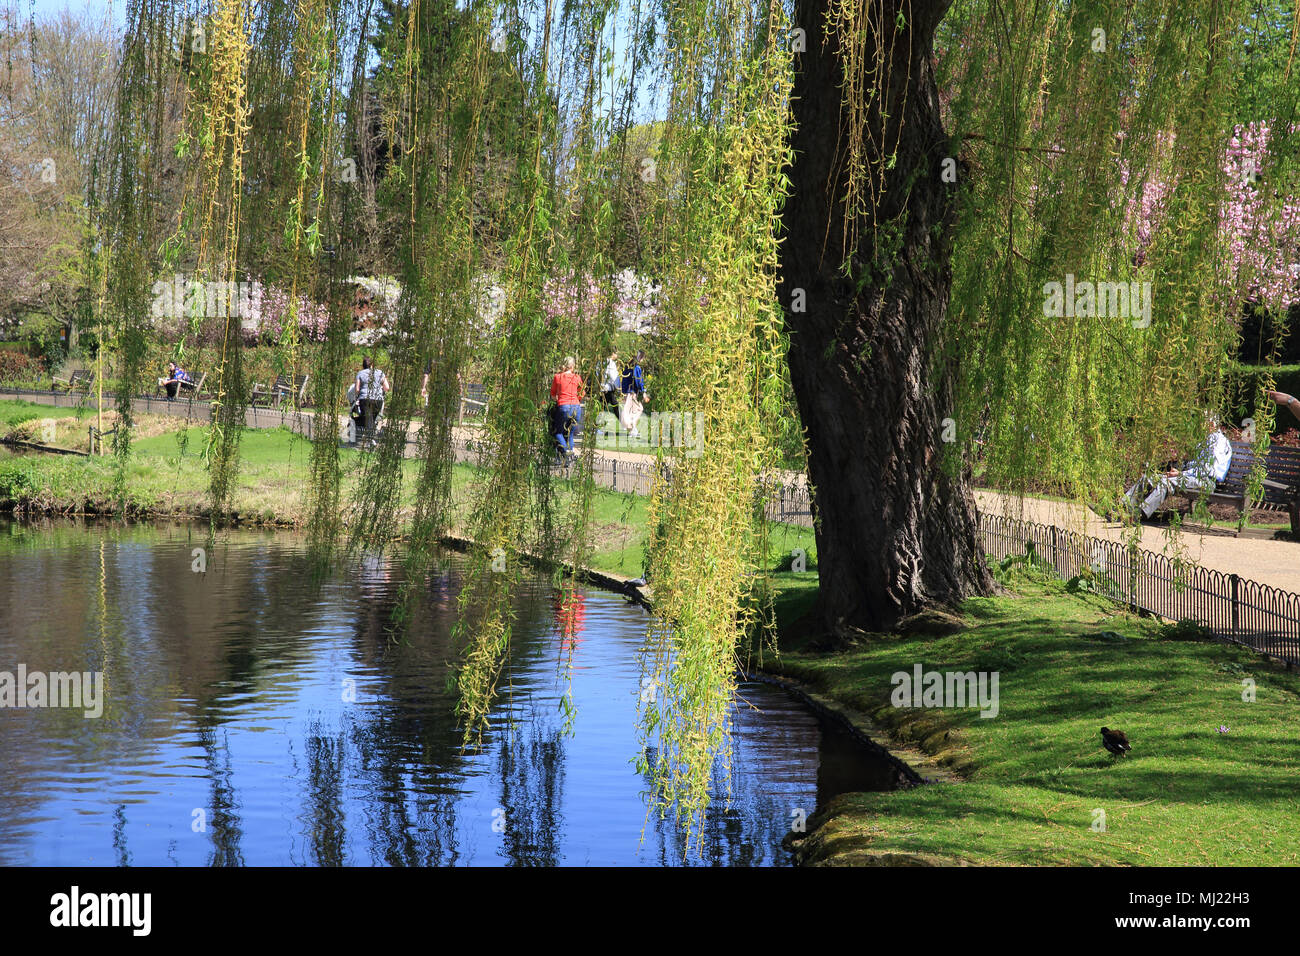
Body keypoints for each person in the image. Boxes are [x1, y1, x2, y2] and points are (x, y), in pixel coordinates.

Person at [1123, 411, 1232, 519]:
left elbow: (1209, 470)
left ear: (1210, 424)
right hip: (1191, 476)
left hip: (1206, 481)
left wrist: (1180, 473)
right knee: (1149, 478)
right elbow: (1195, 464)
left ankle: (1139, 514)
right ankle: (1123, 507)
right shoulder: (1207, 439)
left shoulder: (1218, 443)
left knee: (1165, 483)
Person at [550, 356, 585, 461]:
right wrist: (576, 399)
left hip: (564, 407)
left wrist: (558, 400)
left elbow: (553, 395)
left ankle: (566, 452)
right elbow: (582, 393)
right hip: (576, 408)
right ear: (572, 367)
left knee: (558, 432)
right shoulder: (577, 377)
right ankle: (568, 458)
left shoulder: (558, 377)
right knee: (569, 434)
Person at [355, 356, 391, 449]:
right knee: (371, 420)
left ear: (363, 365)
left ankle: (370, 440)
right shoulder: (380, 373)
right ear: (372, 365)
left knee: (368, 419)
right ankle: (370, 438)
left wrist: (357, 396)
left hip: (365, 399)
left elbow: (357, 389)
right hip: (378, 400)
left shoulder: (360, 373)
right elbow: (387, 387)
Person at [620, 349, 648, 440]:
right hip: (632, 393)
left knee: (632, 410)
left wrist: (624, 392)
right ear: (640, 358)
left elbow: (624, 380)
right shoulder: (636, 368)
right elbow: (638, 380)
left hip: (628, 392)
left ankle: (633, 429)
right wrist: (643, 391)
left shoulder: (627, 367)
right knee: (638, 409)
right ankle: (632, 428)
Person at [599, 350, 621, 438]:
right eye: (616, 353)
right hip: (608, 389)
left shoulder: (602, 362)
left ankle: (600, 428)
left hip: (603, 388)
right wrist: (618, 387)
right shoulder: (611, 363)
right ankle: (627, 425)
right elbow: (613, 377)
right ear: (613, 353)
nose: (617, 355)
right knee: (614, 407)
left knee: (603, 408)